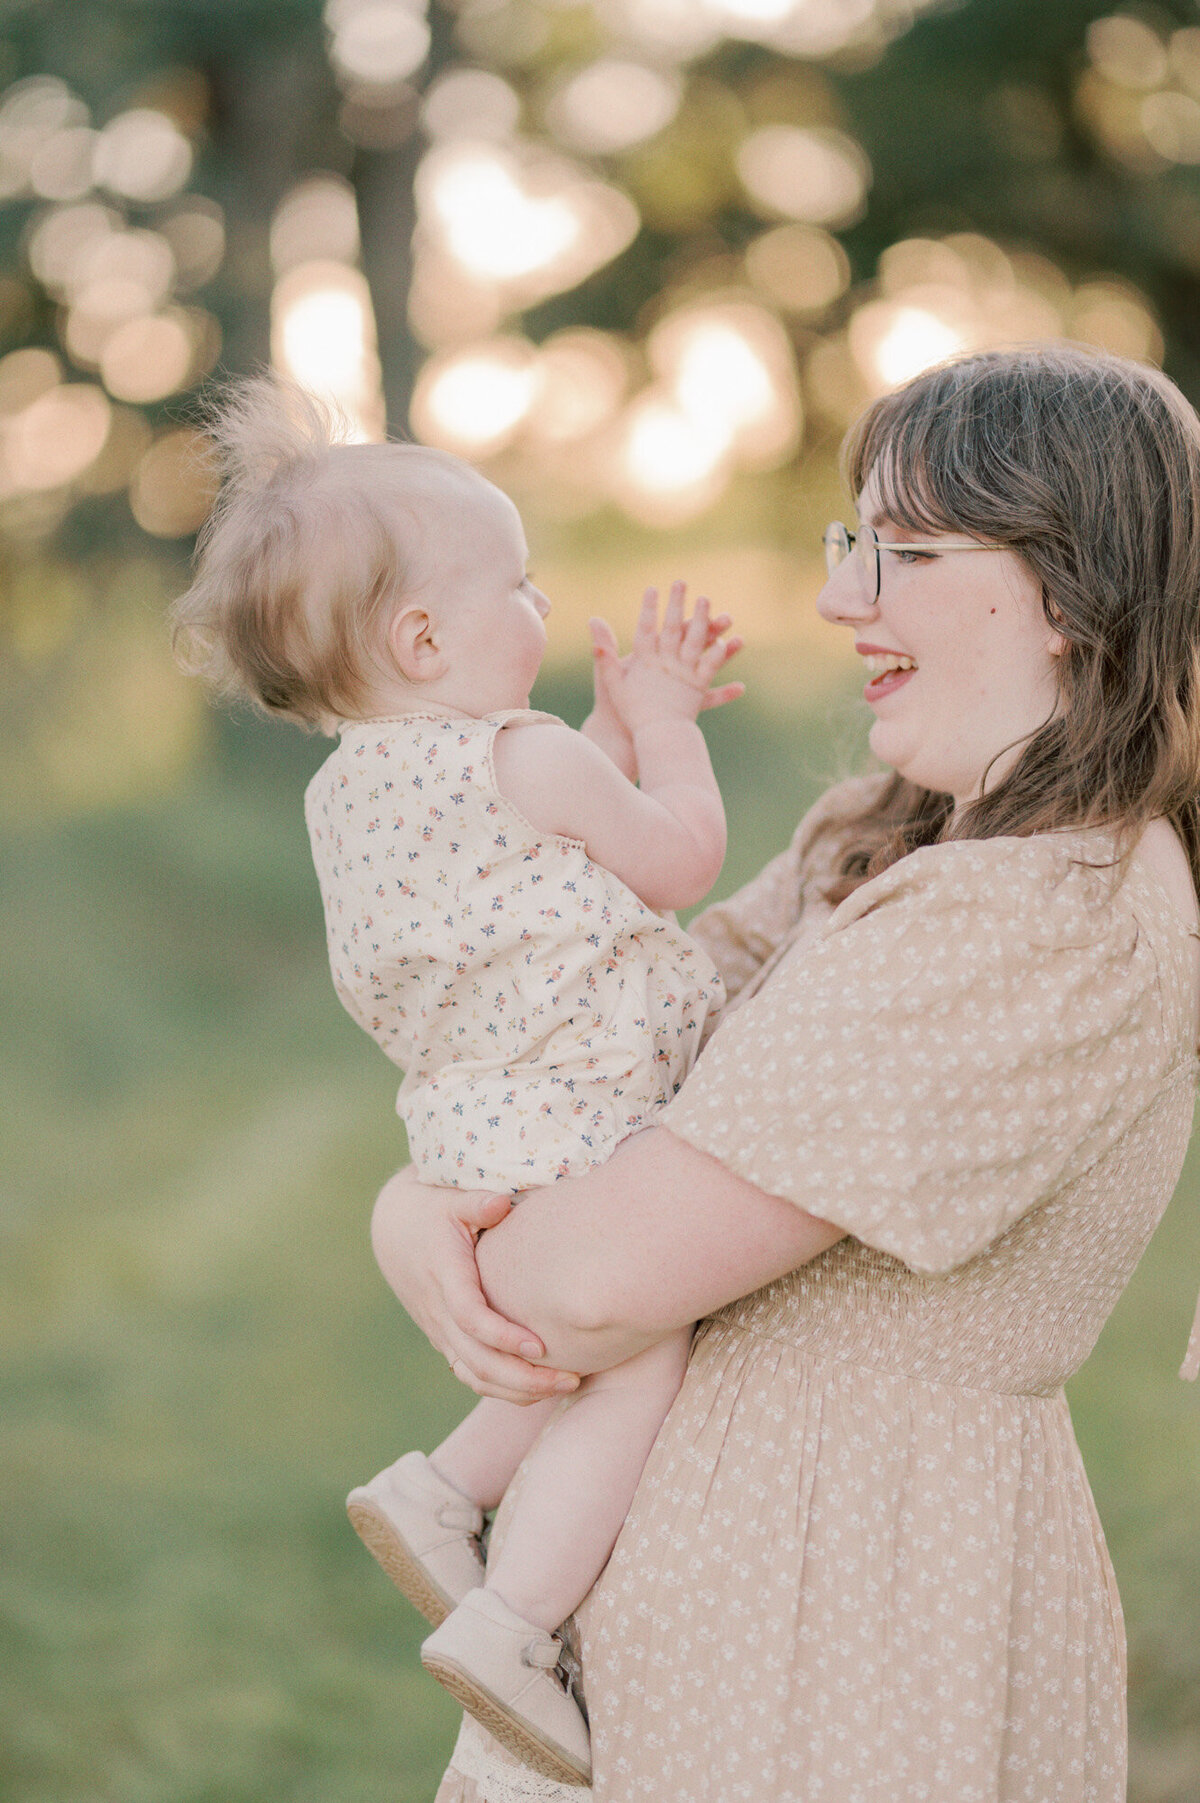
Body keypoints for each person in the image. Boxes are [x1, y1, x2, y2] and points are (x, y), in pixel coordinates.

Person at [369, 344, 1200, 1803]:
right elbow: (618, 1040)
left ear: (1073, 592)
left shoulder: (1039, 917)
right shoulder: (892, 837)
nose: (839, 601)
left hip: (842, 1617)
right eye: (846, 544)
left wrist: (454, 1221)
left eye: (905, 554)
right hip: (732, 1583)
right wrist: (410, 1204)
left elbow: (593, 1281)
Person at [169, 376, 750, 1785]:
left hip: (475, 1116)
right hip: (585, 1097)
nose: (541, 607)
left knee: (561, 1345)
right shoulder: (522, 754)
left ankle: (441, 1487)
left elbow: (539, 862)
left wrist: (605, 739)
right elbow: (673, 860)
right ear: (424, 636)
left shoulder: (350, 791)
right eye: (521, 584)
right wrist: (667, 722)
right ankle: (514, 1622)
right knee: (636, 1353)